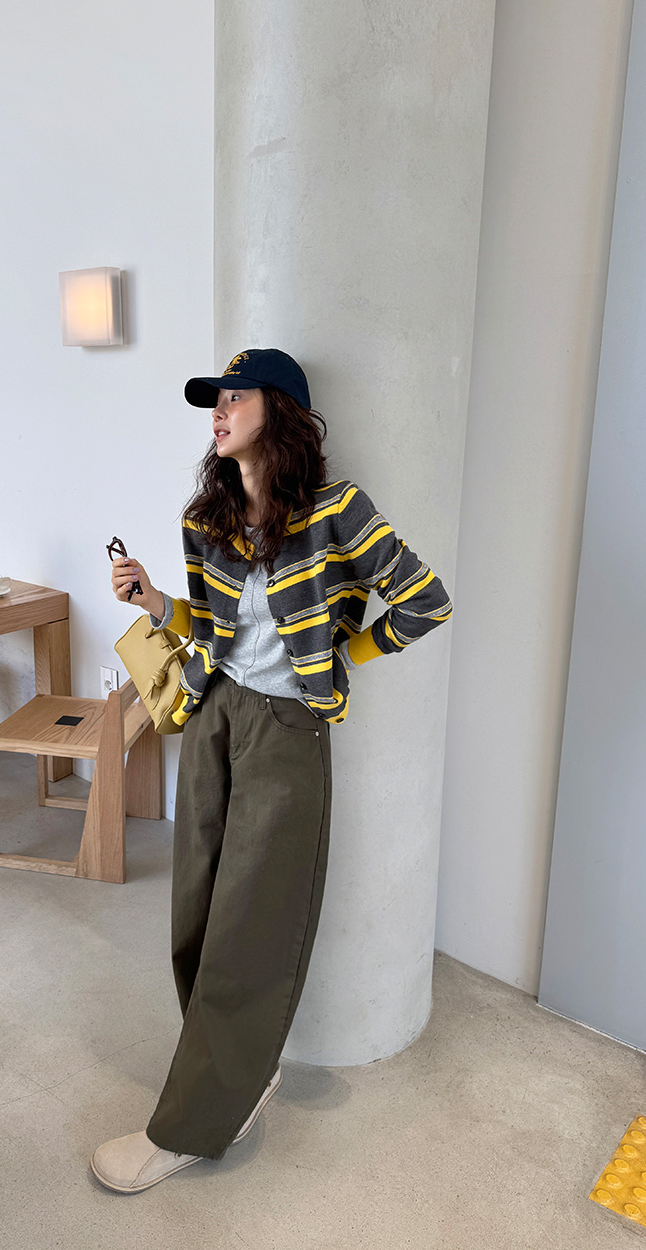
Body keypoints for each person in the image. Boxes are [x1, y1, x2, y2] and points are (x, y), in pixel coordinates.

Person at [91, 348, 452, 1194]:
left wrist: (343, 658)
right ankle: (238, 1076)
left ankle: (191, 1126)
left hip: (288, 729)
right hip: (214, 713)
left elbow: (425, 601)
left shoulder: (336, 512)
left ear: (280, 410)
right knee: (194, 912)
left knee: (250, 926)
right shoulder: (207, 517)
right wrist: (152, 600)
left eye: (234, 397)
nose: (217, 413)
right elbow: (215, 626)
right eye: (213, 401)